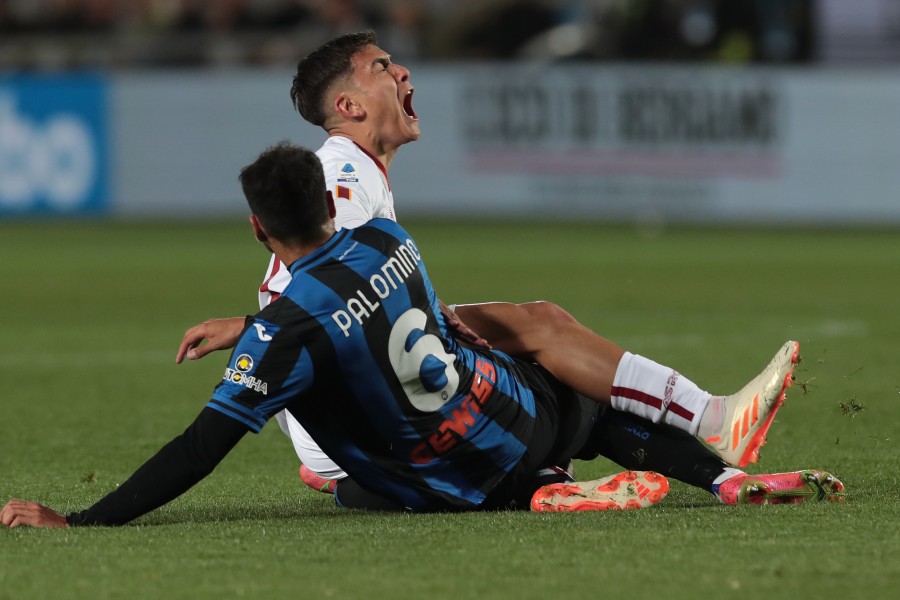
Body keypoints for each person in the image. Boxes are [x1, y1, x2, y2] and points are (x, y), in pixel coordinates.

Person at [0, 144, 845, 528]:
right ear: (332, 205)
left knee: (349, 490)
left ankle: (541, 495)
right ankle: (723, 480)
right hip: (518, 412)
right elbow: (406, 321)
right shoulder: (389, 242)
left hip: (461, 479)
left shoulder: (284, 333)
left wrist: (82, 519)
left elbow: (198, 449)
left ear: (258, 231)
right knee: (590, 412)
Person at [174, 31, 843, 506]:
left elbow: (322, 286)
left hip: (349, 423)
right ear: (348, 106)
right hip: (363, 411)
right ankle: (709, 422)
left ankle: (660, 479)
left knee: (533, 349)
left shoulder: (352, 169)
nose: (403, 74)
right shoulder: (343, 170)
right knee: (544, 339)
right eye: (382, 67)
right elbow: (326, 283)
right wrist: (256, 326)